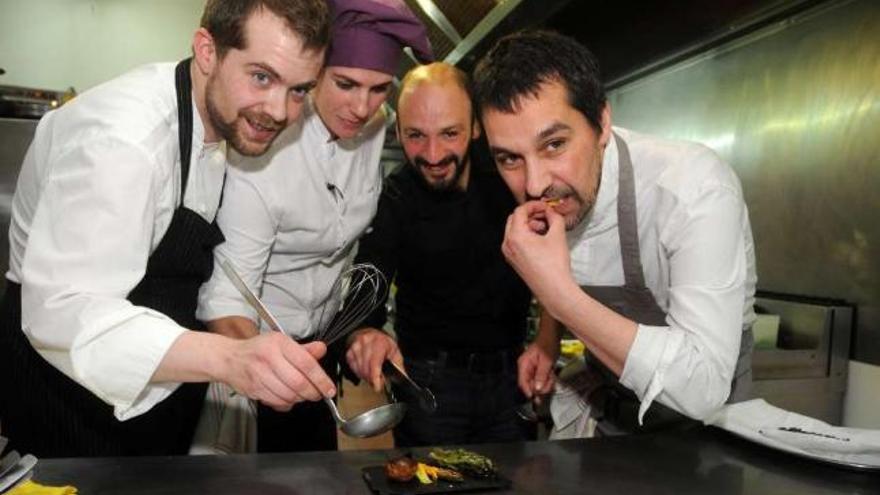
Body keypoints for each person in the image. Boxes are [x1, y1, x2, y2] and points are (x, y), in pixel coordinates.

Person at [0, 0, 335, 458]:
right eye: (262, 76)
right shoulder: (125, 143)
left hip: (156, 392)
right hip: (68, 393)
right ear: (207, 51)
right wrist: (229, 358)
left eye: (299, 90)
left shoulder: (213, 119)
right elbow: (61, 312)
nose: (279, 110)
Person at [471, 30, 757, 436]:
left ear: (602, 122)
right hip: (613, 401)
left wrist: (558, 296)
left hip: (710, 422)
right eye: (509, 158)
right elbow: (573, 261)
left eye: (554, 144)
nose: (534, 185)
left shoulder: (692, 188)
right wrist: (547, 339)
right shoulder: (563, 189)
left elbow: (704, 385)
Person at [196, 0, 432, 452]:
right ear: (316, 69)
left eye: (379, 88)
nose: (362, 107)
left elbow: (351, 243)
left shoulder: (374, 127)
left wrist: (359, 329)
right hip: (250, 349)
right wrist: (262, 364)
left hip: (321, 351)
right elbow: (225, 298)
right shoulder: (264, 141)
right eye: (345, 83)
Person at [345, 62, 535, 447]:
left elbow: (559, 258)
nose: (433, 155)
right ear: (398, 131)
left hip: (512, 376)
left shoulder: (510, 179)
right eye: (416, 135)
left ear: (476, 127)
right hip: (429, 384)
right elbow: (370, 275)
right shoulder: (395, 196)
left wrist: (547, 340)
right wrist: (364, 331)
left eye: (449, 133)